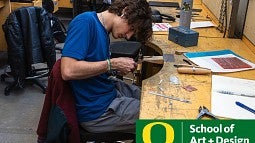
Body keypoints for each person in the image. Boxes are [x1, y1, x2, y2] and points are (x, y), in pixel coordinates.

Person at [61, 0, 152, 133]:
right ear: (125, 12)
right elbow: (68, 70)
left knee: (152, 96)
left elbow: (93, 63)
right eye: (131, 28)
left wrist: (114, 67)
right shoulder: (85, 22)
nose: (128, 36)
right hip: (98, 110)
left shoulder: (103, 30)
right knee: (161, 114)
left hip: (107, 91)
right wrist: (111, 64)